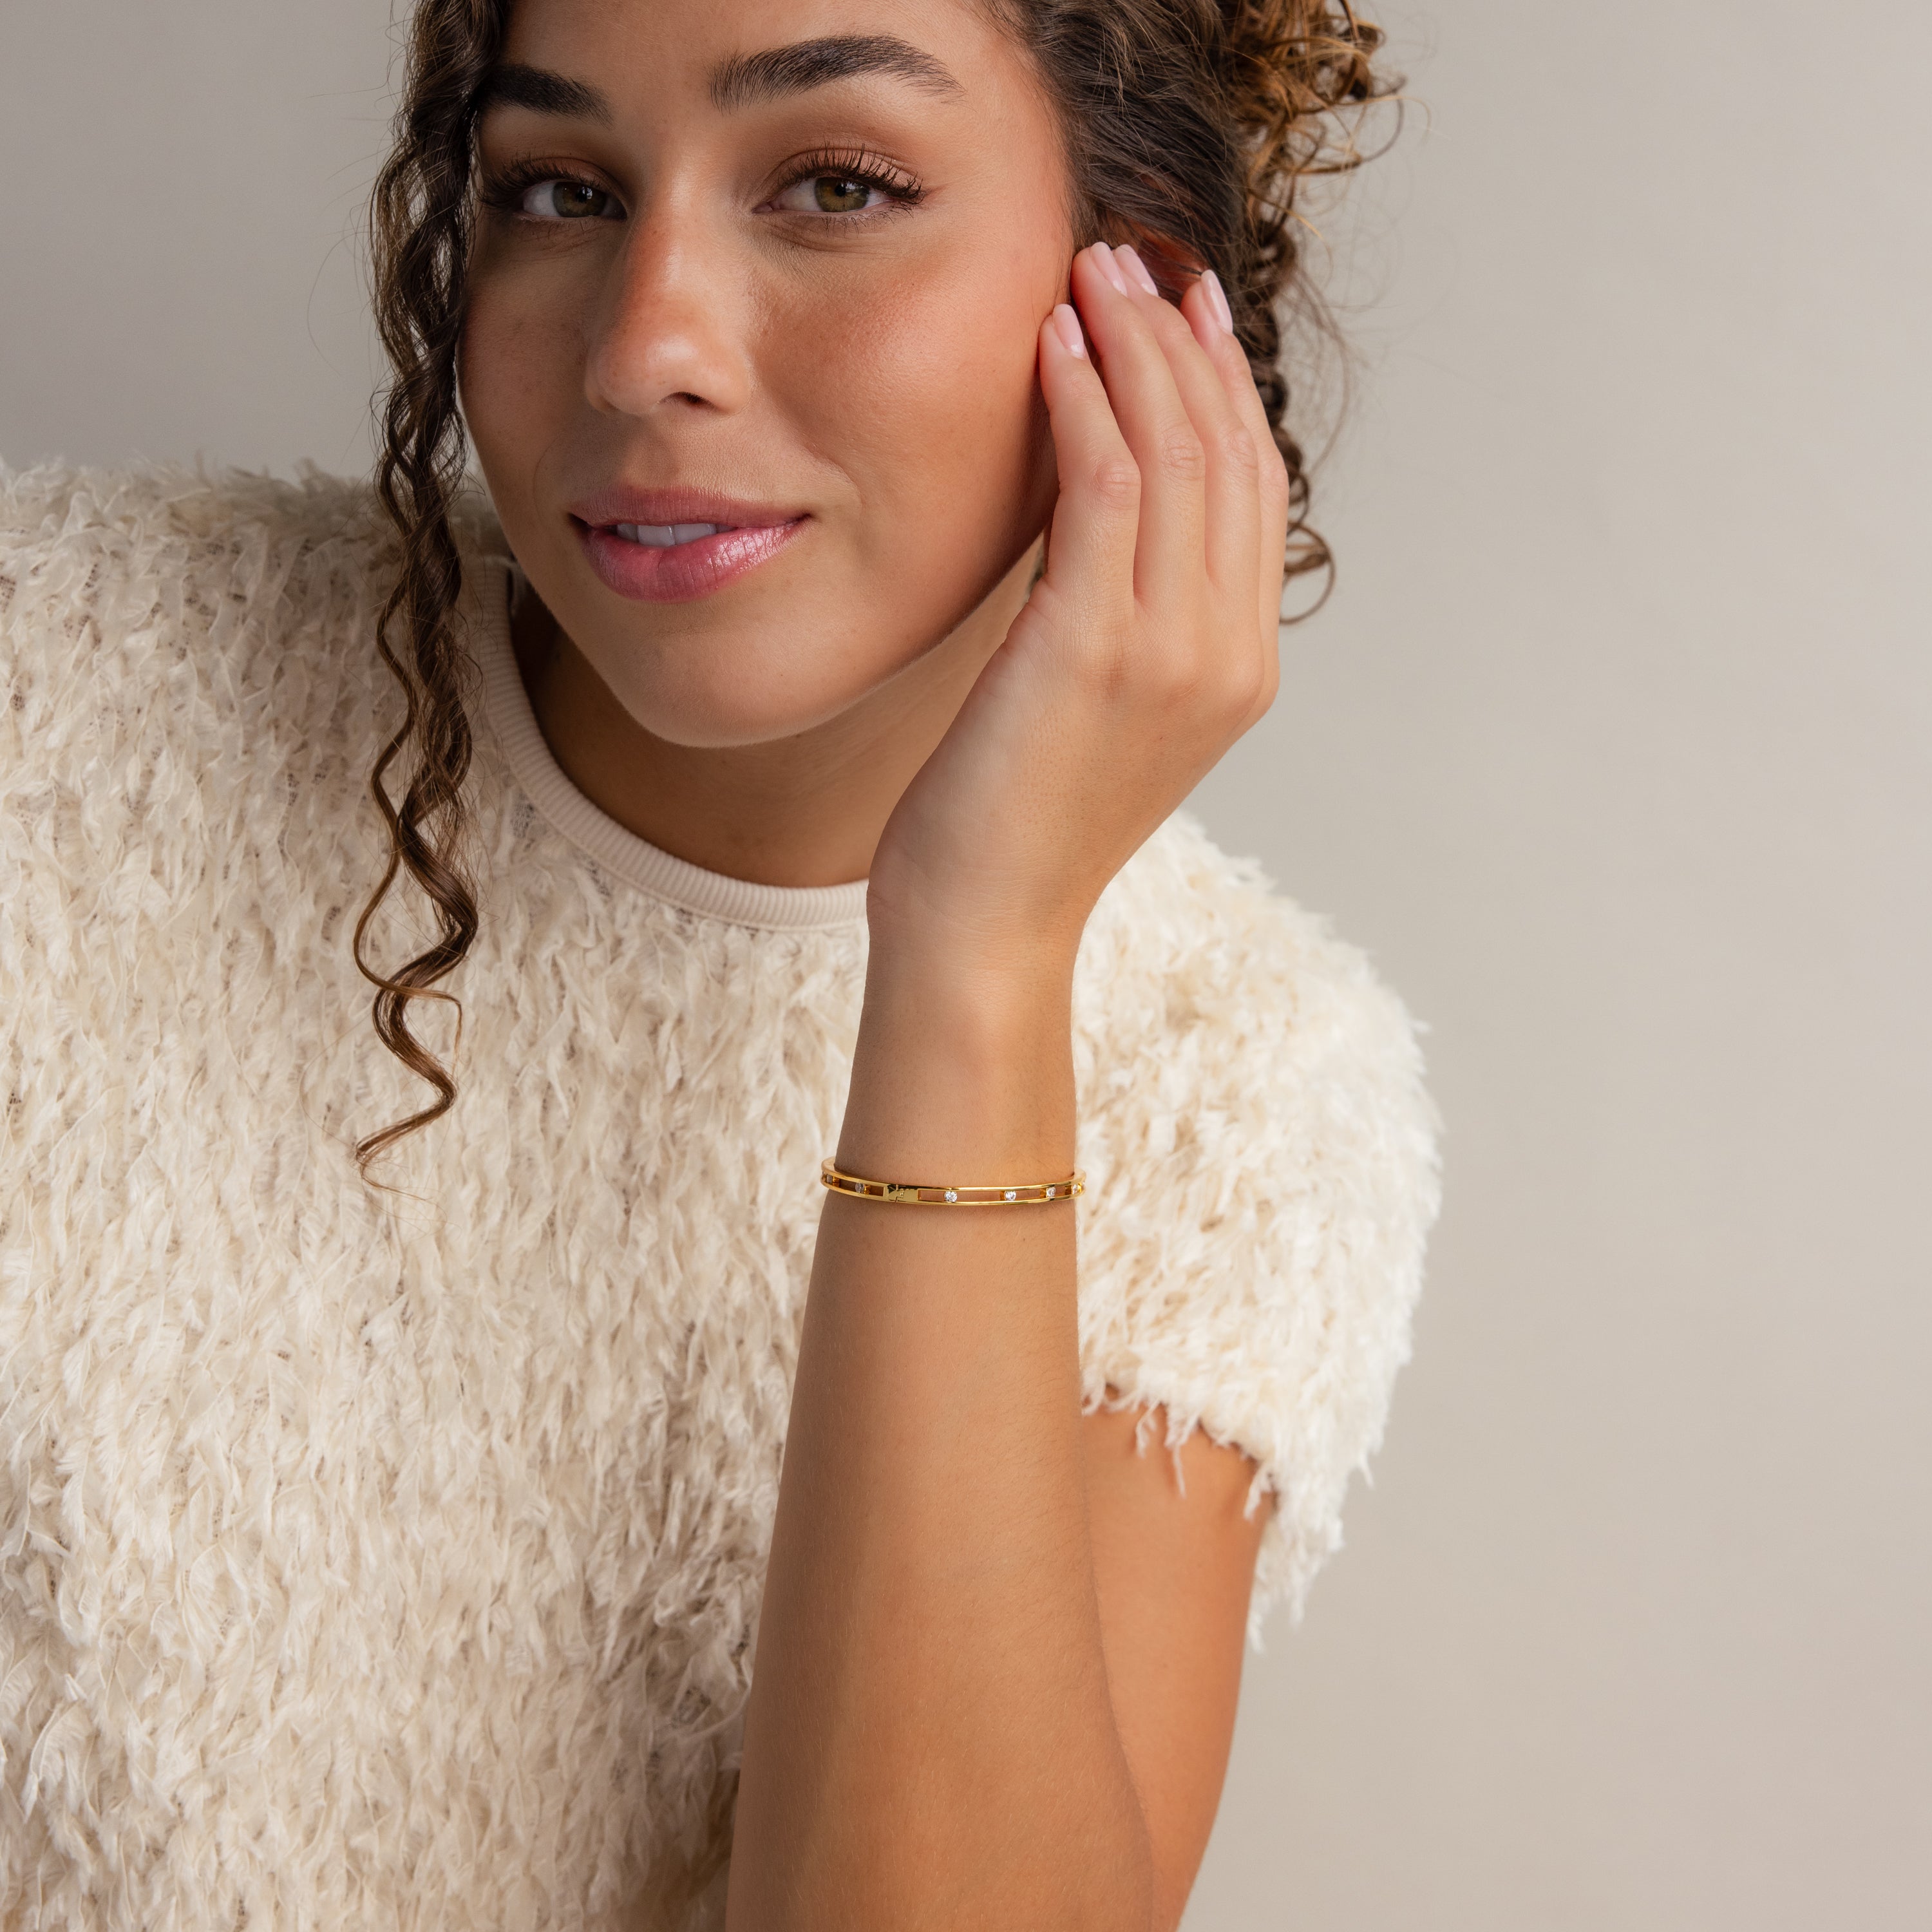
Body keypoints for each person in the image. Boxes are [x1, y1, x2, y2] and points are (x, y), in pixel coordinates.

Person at [0, 1, 1437, 1926]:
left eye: (836, 184)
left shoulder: (1240, 1093)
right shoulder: (58, 690)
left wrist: (976, 962)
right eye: (561, 189)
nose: (644, 343)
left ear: (1138, 293)